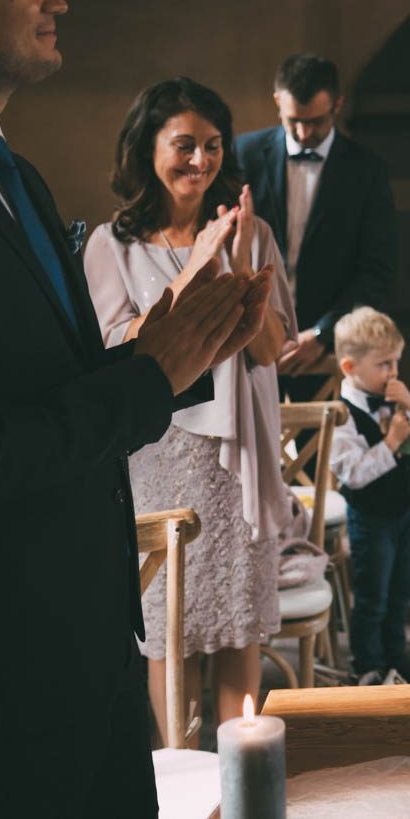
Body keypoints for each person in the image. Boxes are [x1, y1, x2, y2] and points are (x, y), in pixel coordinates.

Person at [0, 0, 271, 816]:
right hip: (12, 683)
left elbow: (61, 386)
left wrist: (183, 342)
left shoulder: (16, 178)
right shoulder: (93, 228)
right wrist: (153, 372)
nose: (58, 0)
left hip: (94, 655)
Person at [84, 77, 298, 745]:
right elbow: (114, 350)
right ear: (147, 148)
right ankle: (179, 775)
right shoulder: (111, 246)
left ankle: (241, 776)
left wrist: (235, 258)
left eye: (213, 145)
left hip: (237, 461)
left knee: (238, 624)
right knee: (168, 631)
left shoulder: (251, 231)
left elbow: (269, 352)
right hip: (159, 455)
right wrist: (193, 270)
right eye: (184, 144)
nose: (200, 160)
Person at [237, 53, 396, 393]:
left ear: (337, 105)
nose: (303, 132)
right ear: (277, 102)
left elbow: (376, 269)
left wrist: (324, 333)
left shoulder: (367, 170)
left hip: (328, 350)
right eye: (293, 120)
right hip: (249, 344)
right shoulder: (242, 155)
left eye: (316, 121)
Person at [329, 305, 410, 685]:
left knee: (402, 590)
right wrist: (391, 442)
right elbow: (354, 475)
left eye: (396, 362)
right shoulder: (342, 415)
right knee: (372, 594)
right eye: (384, 364)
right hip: (371, 518)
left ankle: (396, 655)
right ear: (350, 367)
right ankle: (367, 664)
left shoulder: (399, 398)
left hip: (409, 510)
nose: (394, 372)